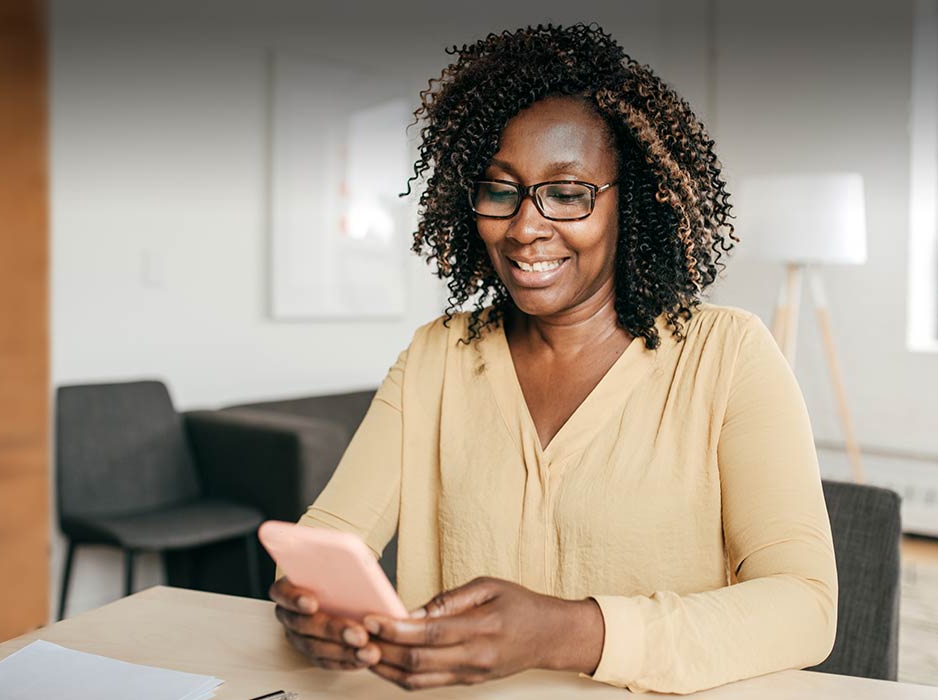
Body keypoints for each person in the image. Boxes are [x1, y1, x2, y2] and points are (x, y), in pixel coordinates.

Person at [269, 23, 836, 695]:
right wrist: (311, 611)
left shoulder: (728, 355)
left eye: (567, 193)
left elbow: (806, 608)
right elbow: (330, 543)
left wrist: (564, 632)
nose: (525, 226)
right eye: (500, 189)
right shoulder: (437, 357)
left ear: (636, 200)